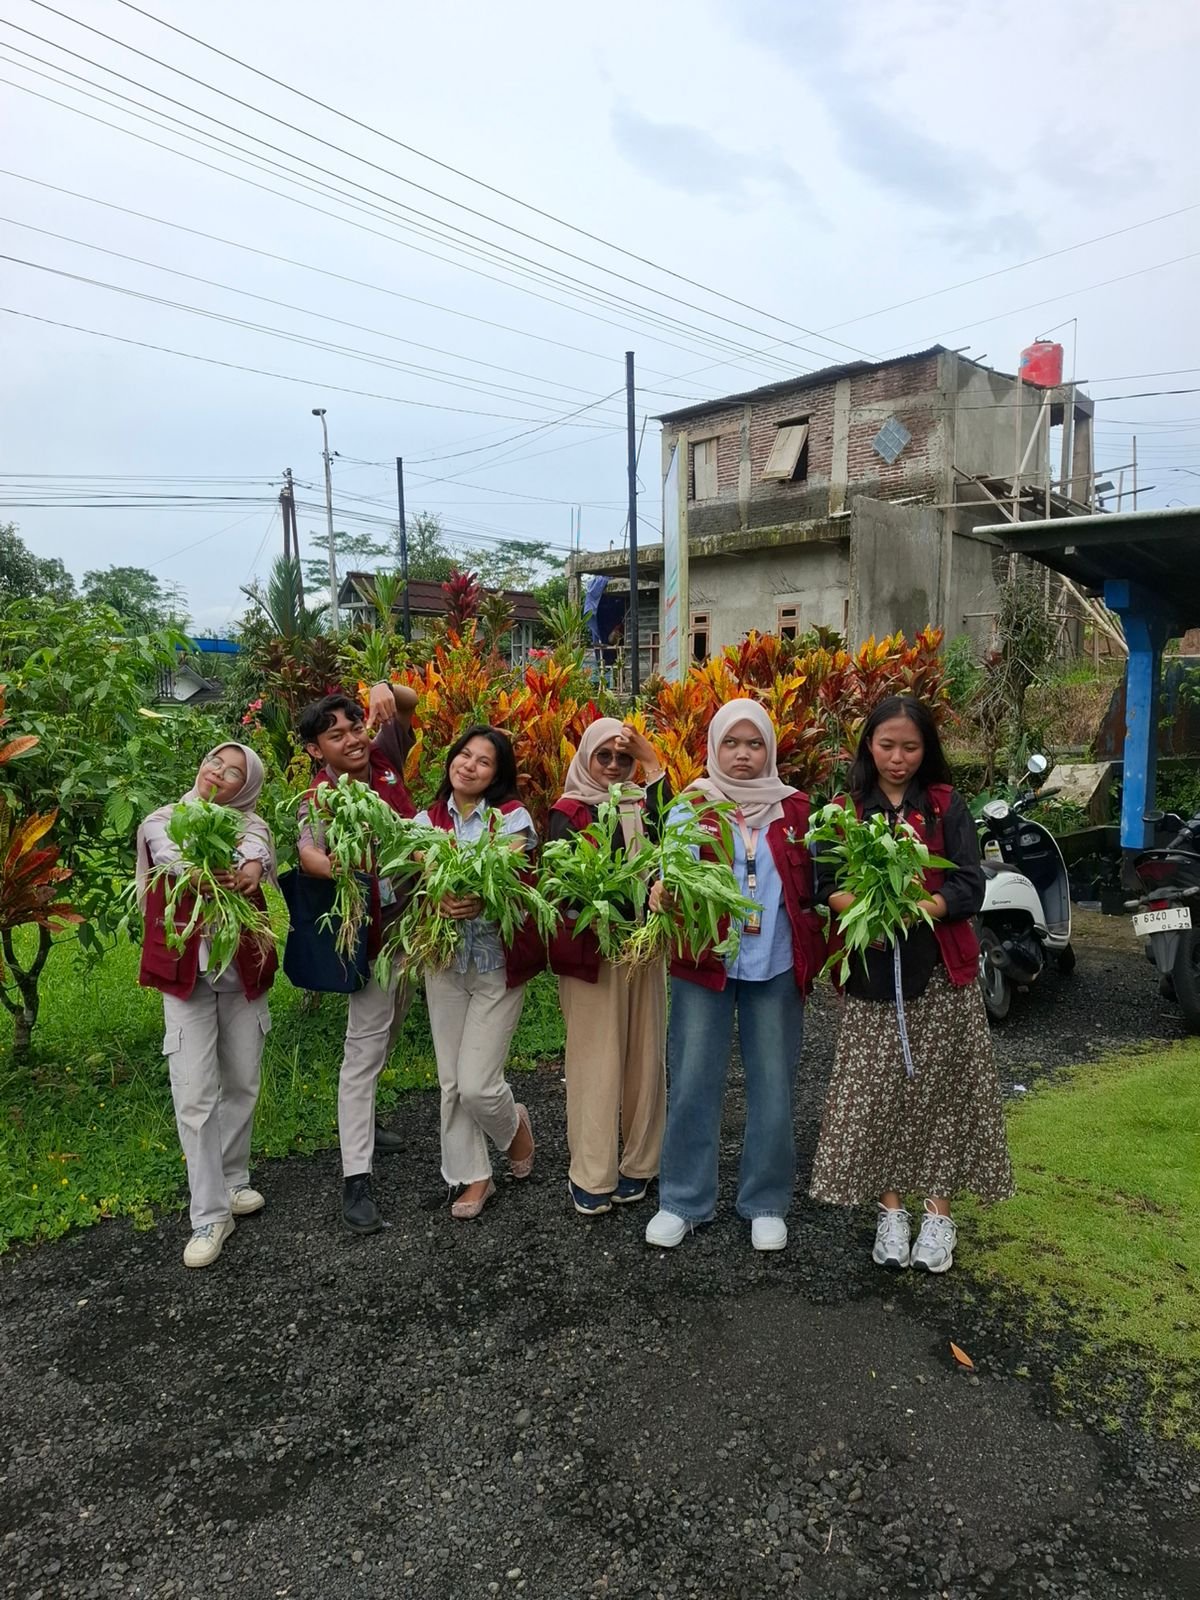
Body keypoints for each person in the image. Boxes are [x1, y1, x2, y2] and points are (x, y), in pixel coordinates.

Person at [809, 695, 1014, 1274]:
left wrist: (924, 904)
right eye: (887, 746)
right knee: (878, 1096)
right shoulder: (845, 809)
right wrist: (868, 912)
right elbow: (824, 884)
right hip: (876, 978)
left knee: (943, 1095)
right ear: (868, 746)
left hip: (943, 980)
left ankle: (938, 1217)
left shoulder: (946, 805)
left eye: (911, 747)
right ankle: (891, 1211)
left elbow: (971, 885)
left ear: (928, 752)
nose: (898, 759)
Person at [644, 700, 825, 1253]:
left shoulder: (795, 811)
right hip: (705, 963)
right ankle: (683, 1199)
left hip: (773, 962)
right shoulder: (690, 807)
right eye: (731, 743)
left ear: (769, 749)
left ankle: (766, 1202)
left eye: (754, 744)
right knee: (694, 1078)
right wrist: (659, 889)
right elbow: (665, 871)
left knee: (774, 1082)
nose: (742, 755)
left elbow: (818, 882)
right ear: (714, 747)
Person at [137, 743, 278, 1269]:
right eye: (214, 763)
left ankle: (234, 1177)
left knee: (242, 1080)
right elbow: (176, 861)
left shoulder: (252, 826)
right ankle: (209, 1213)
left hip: (241, 970)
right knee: (195, 1093)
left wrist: (249, 868)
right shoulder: (163, 820)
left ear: (246, 787)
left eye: (233, 772)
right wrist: (206, 872)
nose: (217, 773)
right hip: (185, 976)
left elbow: (254, 854)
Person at [297, 681, 418, 1234]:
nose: (351, 739)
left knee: (390, 1030)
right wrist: (347, 869)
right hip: (367, 942)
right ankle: (356, 1180)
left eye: (355, 726)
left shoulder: (386, 760)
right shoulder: (319, 798)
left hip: (412, 933)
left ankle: (366, 1123)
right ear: (314, 751)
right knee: (363, 1051)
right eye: (335, 734)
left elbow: (410, 704)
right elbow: (309, 855)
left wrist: (384, 689)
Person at [414, 726, 541, 1220]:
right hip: (443, 964)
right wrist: (433, 889)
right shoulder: (426, 818)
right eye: (463, 754)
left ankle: (514, 1129)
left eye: (483, 761)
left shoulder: (512, 818)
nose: (469, 765)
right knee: (451, 1082)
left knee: (478, 1084)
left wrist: (449, 877)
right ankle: (474, 1177)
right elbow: (414, 869)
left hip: (495, 965)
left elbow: (499, 869)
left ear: (496, 775)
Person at [548, 719, 669, 1217]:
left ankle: (639, 1164)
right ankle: (593, 1172)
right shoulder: (570, 810)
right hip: (595, 950)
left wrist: (655, 762)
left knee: (645, 1054)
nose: (616, 767)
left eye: (624, 759)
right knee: (595, 1061)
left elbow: (672, 844)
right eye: (605, 757)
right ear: (585, 759)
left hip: (644, 946)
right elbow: (561, 882)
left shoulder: (641, 804)